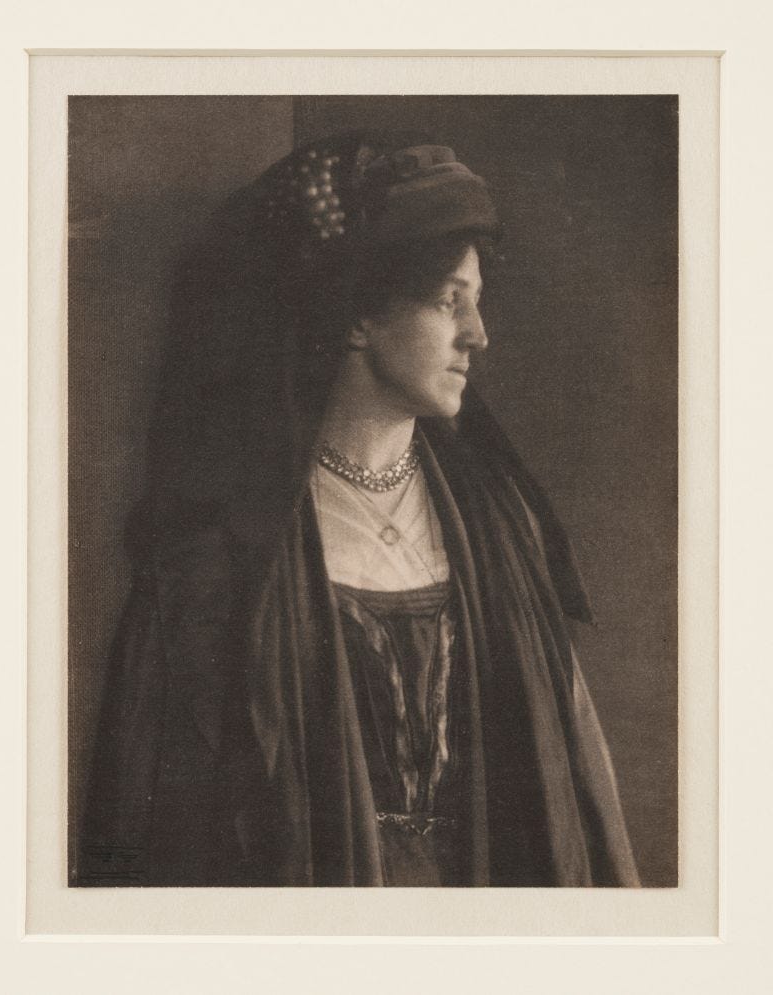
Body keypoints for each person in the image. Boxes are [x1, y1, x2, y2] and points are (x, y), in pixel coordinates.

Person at [76, 130, 640, 888]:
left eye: (476, 303)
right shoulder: (224, 549)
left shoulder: (499, 523)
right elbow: (164, 826)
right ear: (355, 316)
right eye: (448, 301)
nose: (477, 335)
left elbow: (575, 791)